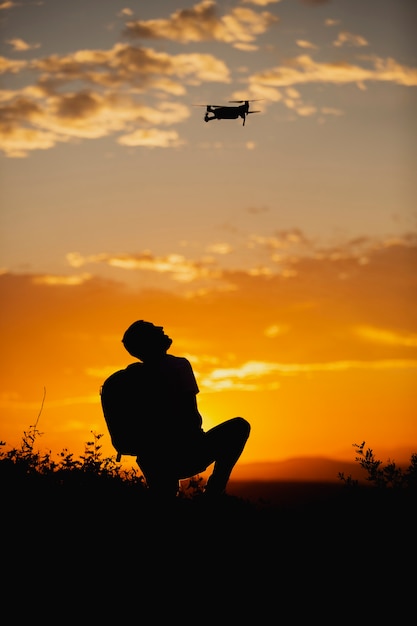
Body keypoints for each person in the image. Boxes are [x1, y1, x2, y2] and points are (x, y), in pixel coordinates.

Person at [101, 320, 250, 500]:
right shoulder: (178, 365)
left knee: (166, 502)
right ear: (148, 341)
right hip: (188, 451)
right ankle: (213, 493)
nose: (161, 328)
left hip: (152, 461)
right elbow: (190, 415)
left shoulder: (128, 378)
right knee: (240, 427)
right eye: (153, 329)